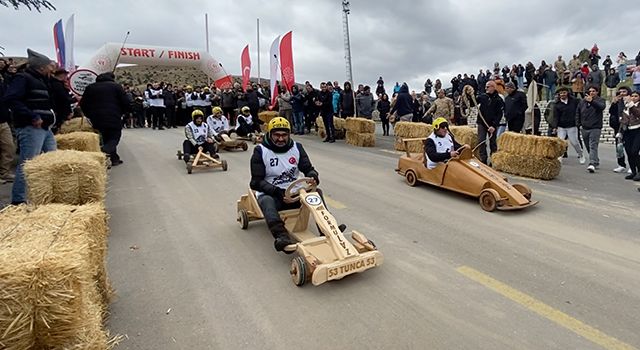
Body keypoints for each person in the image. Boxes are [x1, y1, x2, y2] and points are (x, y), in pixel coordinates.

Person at [249, 117, 320, 252]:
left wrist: (313, 176)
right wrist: (277, 192)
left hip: (294, 192)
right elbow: (256, 182)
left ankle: (327, 230)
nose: (280, 139)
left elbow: (308, 168)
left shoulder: (297, 148)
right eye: (276, 135)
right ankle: (281, 236)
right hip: (273, 194)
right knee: (267, 201)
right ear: (270, 134)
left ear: (289, 134)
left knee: (317, 194)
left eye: (284, 135)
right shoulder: (261, 151)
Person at [3, 49, 57, 205]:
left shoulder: (42, 80)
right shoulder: (23, 78)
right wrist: (32, 116)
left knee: (52, 159)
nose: (51, 68)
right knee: (28, 164)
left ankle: (46, 193)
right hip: (30, 127)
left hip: (45, 128)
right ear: (41, 67)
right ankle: (18, 200)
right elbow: (11, 99)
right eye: (49, 66)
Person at [80, 72, 130, 166]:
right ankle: (103, 151)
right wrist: (124, 112)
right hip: (113, 116)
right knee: (114, 137)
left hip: (96, 118)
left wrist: (89, 115)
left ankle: (114, 158)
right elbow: (125, 102)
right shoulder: (116, 87)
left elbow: (83, 103)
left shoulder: (90, 87)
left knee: (105, 137)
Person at [576, 86, 606, 173]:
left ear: (597, 92)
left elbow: (601, 107)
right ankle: (595, 160)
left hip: (595, 127)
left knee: (593, 145)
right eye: (590, 91)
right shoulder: (582, 102)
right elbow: (578, 113)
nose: (591, 93)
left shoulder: (600, 100)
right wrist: (579, 124)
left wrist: (592, 101)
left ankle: (592, 163)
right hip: (584, 127)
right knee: (588, 146)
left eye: (593, 91)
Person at [552, 87, 585, 164]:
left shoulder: (574, 101)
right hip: (561, 126)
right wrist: (554, 126)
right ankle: (559, 156)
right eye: (561, 93)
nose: (562, 94)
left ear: (567, 93)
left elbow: (580, 108)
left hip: (572, 125)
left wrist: (579, 122)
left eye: (564, 92)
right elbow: (555, 116)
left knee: (574, 142)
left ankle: (580, 154)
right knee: (561, 142)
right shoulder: (557, 105)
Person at [475, 81, 504, 164]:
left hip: (492, 124)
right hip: (482, 123)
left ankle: (493, 160)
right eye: (486, 87)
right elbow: (474, 102)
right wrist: (470, 95)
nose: (486, 88)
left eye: (488, 87)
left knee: (493, 142)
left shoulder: (499, 100)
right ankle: (483, 160)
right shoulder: (483, 97)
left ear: (493, 87)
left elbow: (499, 114)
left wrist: (494, 125)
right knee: (481, 141)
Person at [610, 87, 631, 173]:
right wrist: (614, 103)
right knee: (619, 147)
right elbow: (612, 112)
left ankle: (632, 165)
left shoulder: (631, 101)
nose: (622, 93)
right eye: (620, 92)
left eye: (624, 91)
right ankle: (621, 164)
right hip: (618, 127)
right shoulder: (618, 102)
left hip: (629, 127)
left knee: (630, 148)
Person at [620, 91, 640, 180]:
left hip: (638, 130)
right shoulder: (627, 106)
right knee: (628, 151)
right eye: (632, 96)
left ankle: (639, 171)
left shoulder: (636, 106)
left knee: (634, 151)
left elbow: (638, 114)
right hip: (627, 131)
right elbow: (623, 119)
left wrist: (631, 105)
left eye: (636, 96)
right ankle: (633, 171)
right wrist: (620, 132)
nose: (634, 98)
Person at [49, 67, 73, 133]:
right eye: (65, 75)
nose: (66, 76)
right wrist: (75, 99)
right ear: (61, 75)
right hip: (59, 111)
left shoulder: (57, 84)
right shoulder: (57, 85)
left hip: (58, 111)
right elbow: (64, 99)